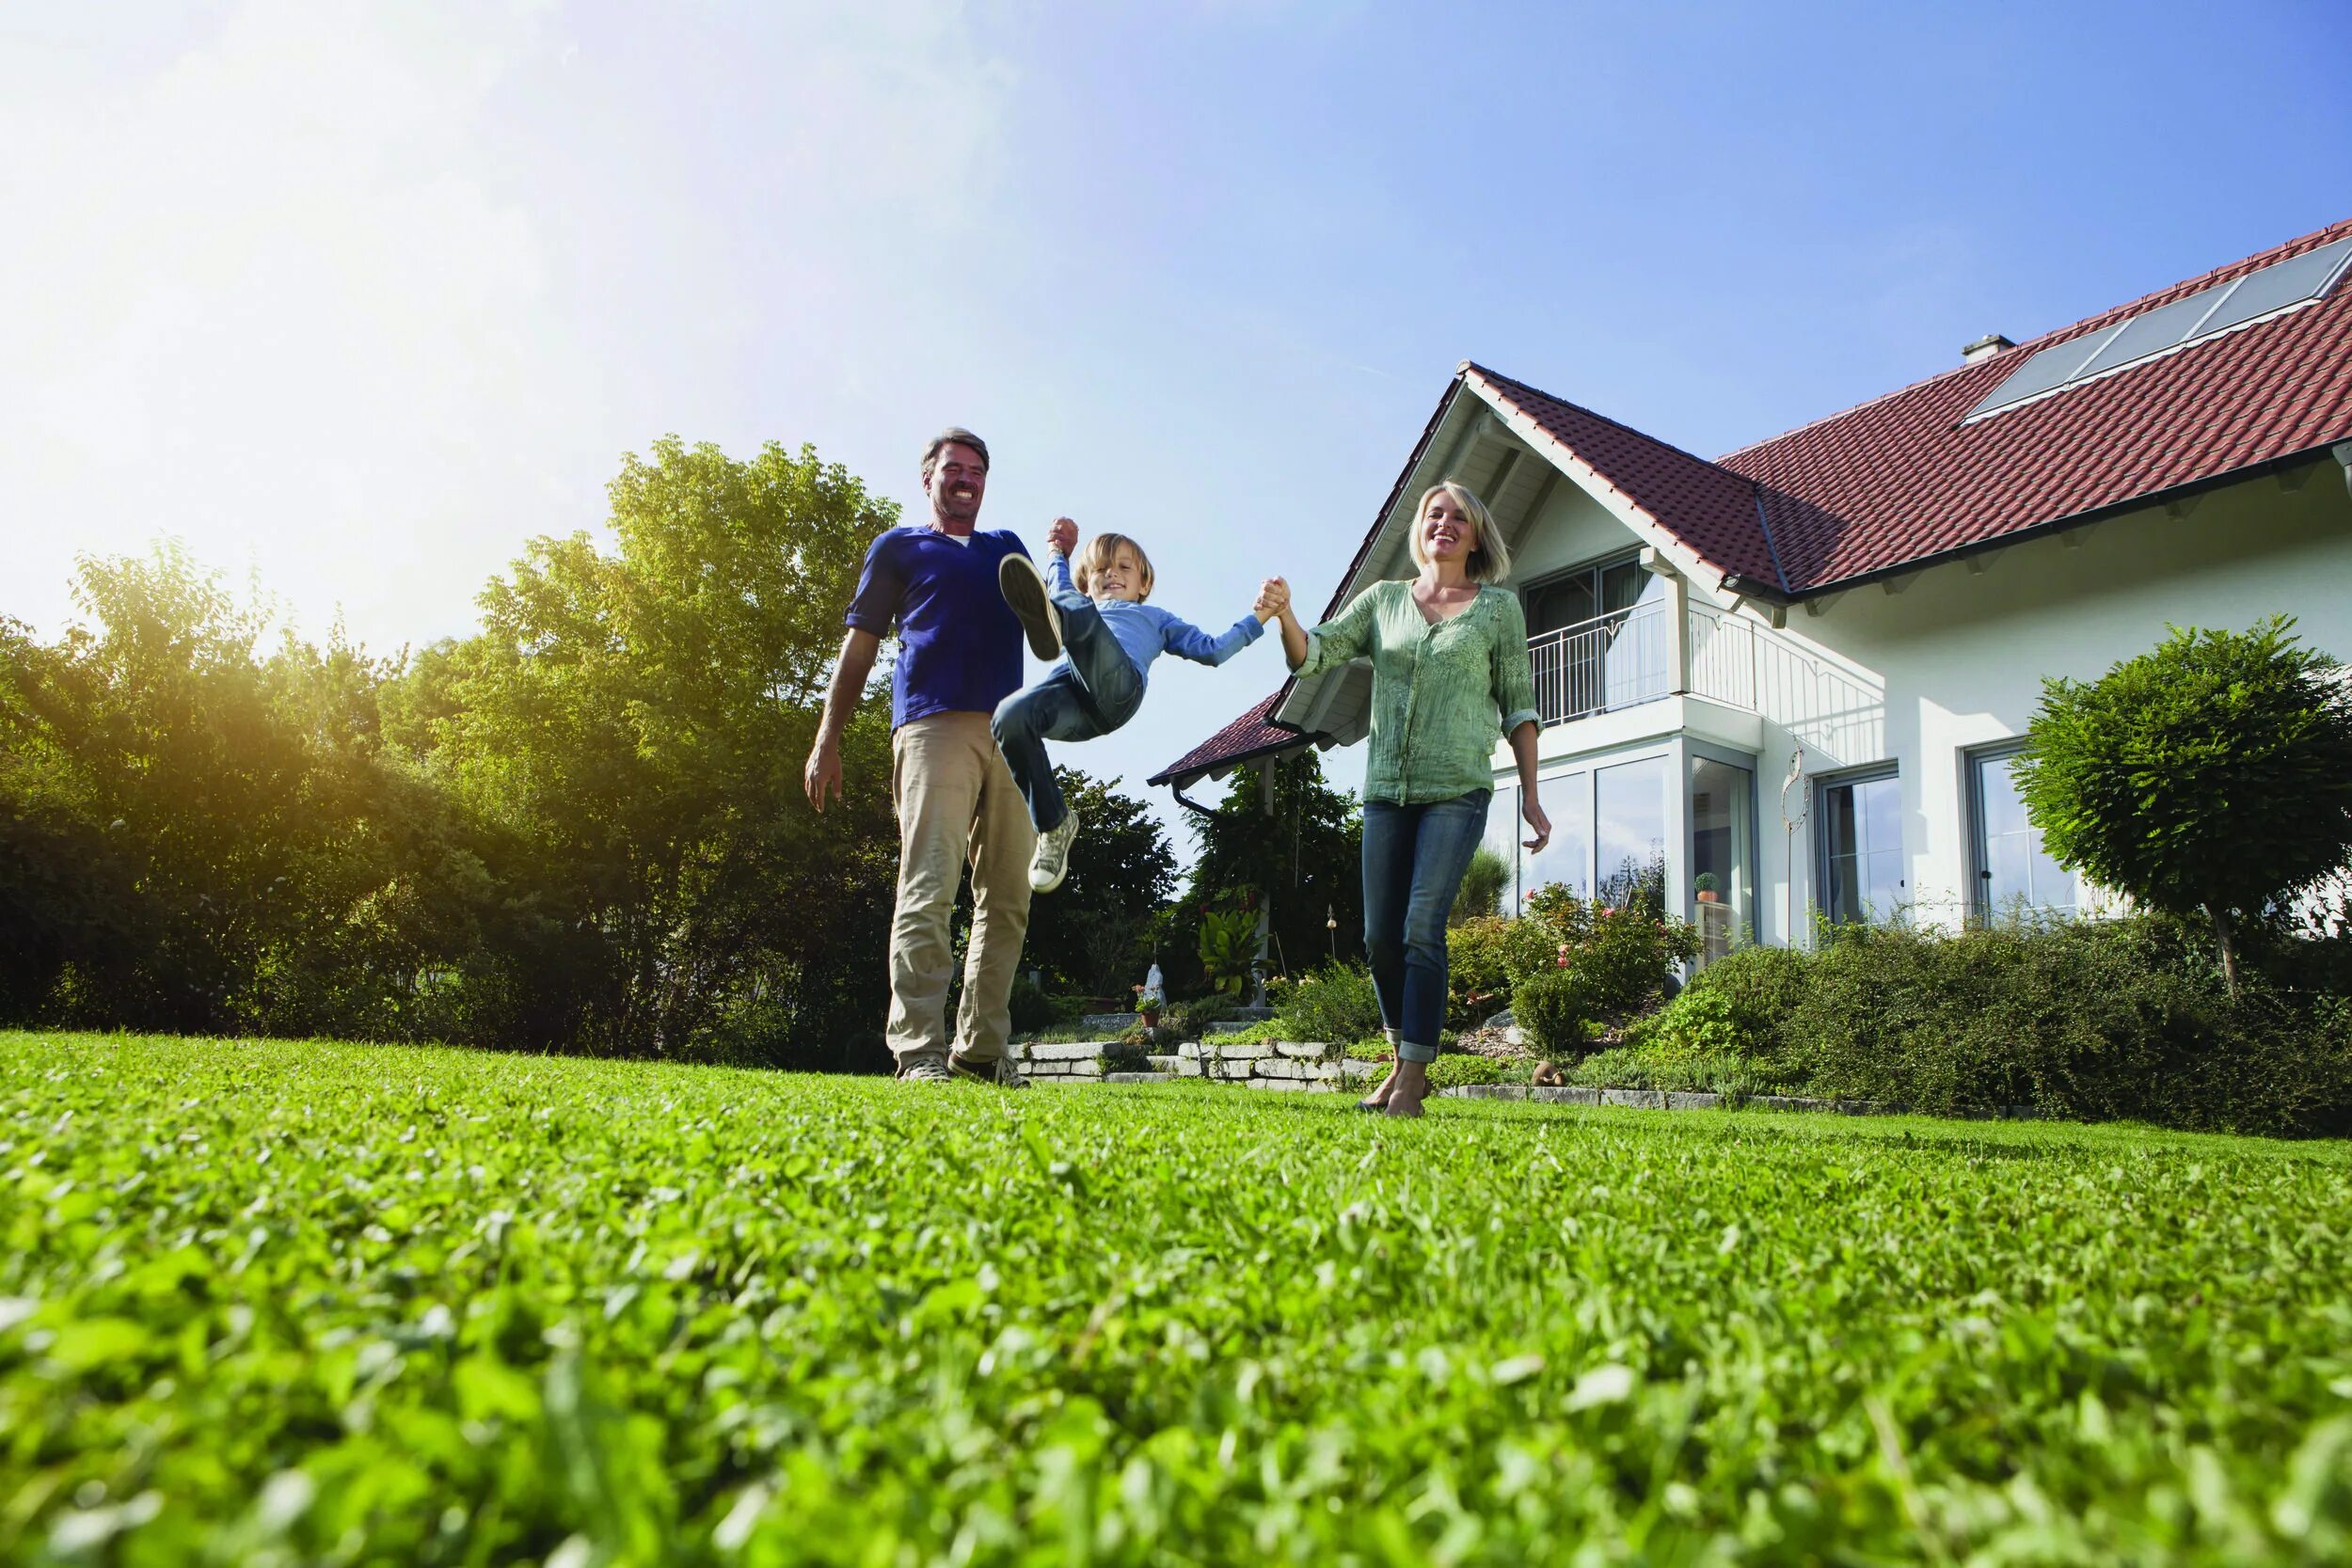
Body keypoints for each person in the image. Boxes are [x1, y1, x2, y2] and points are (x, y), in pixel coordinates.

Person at [1265, 480, 1549, 1117]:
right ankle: (1400, 1064)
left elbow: (1520, 705)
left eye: (1458, 517)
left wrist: (1532, 795)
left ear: (1476, 536)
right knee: (1378, 939)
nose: (1444, 523)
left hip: (1456, 790)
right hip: (1386, 792)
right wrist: (1286, 616)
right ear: (1419, 529)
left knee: (1423, 925)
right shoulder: (1384, 601)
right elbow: (1313, 656)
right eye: (1433, 513)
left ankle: (1413, 1084)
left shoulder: (1497, 609)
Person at [803, 428, 1038, 1086]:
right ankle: (919, 1052)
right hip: (933, 727)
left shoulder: (1006, 551)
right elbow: (859, 648)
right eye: (952, 468)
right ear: (928, 477)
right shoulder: (900, 548)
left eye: (976, 470)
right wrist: (828, 738)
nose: (965, 478)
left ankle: (981, 1052)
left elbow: (1054, 626)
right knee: (930, 885)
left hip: (1012, 732)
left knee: (1010, 895)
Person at [994, 529, 1278, 892]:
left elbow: (1213, 650)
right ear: (1087, 583)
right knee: (1009, 716)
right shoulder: (1084, 602)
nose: (1111, 573)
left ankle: (1057, 619)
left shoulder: (1156, 618)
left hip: (1119, 689)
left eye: (1124, 567)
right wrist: (1056, 552)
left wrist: (1259, 617)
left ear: (1143, 583)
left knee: (1074, 610)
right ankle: (1053, 823)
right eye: (1100, 569)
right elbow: (1066, 587)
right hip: (1071, 698)